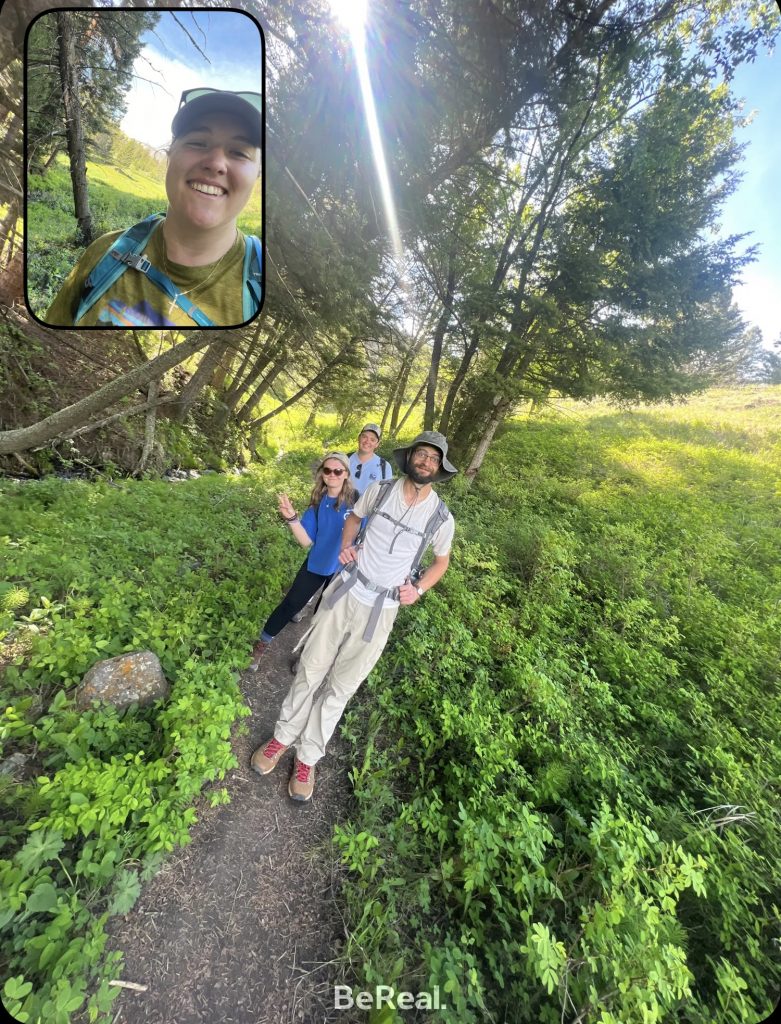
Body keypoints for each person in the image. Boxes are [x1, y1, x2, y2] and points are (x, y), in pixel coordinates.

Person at [251, 431, 457, 802]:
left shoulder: (441, 517)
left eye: (433, 458)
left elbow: (441, 562)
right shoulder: (380, 490)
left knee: (341, 687)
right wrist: (347, 546)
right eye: (422, 454)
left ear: (439, 467)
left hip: (382, 611)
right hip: (345, 592)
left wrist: (419, 588)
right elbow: (354, 518)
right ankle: (282, 738)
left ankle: (308, 758)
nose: (426, 462)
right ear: (410, 457)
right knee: (310, 669)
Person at [44, 87, 262, 328]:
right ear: (170, 155)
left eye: (239, 153)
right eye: (198, 143)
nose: (216, 163)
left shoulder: (263, 287)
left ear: (257, 174)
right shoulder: (106, 252)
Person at [249, 452, 357, 671]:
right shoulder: (318, 504)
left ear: (346, 474)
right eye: (327, 470)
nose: (332, 474)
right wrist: (291, 518)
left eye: (338, 471)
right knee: (291, 604)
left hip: (343, 569)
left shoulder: (357, 501)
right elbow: (306, 541)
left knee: (324, 615)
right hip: (318, 564)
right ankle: (262, 644)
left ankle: (306, 653)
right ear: (322, 474)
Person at [347, 423, 393, 496]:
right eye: (364, 437)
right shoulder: (345, 459)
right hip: (343, 503)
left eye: (372, 439)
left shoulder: (384, 467)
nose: (367, 441)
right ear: (359, 438)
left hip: (369, 503)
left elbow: (385, 495)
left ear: (377, 444)